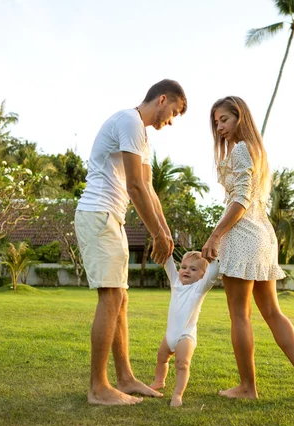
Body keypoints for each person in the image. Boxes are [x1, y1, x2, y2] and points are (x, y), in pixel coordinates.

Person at [74, 79, 187, 406]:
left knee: (120, 299)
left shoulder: (142, 136)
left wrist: (165, 233)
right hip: (99, 213)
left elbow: (149, 189)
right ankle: (98, 388)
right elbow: (134, 187)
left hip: (111, 217)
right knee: (111, 298)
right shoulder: (128, 121)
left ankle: (124, 378)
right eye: (174, 112)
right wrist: (155, 234)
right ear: (162, 99)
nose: (171, 120)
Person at [202, 96, 294, 399]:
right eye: (216, 122)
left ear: (240, 117)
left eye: (224, 120)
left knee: (240, 315)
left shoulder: (242, 150)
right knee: (272, 311)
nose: (219, 127)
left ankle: (247, 387)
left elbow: (241, 199)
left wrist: (216, 235)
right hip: (264, 236)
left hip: (242, 235)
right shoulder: (256, 151)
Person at [149, 252, 219, 407]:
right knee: (162, 358)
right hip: (170, 335)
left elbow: (213, 272)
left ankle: (178, 394)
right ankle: (159, 381)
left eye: (193, 269)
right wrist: (163, 242)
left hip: (185, 336)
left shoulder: (199, 288)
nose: (186, 271)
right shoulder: (175, 283)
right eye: (184, 267)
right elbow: (168, 263)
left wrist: (213, 256)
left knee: (182, 364)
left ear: (203, 275)